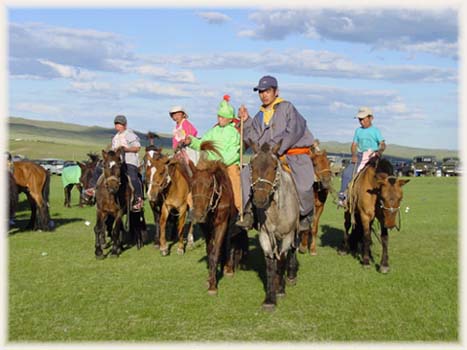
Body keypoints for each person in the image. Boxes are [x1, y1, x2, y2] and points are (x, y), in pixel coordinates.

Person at [237, 75, 315, 231]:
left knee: (304, 184)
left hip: (292, 154)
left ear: (275, 91)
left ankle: (305, 214)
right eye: (261, 92)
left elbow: (293, 130)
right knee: (246, 174)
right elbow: (254, 138)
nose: (264, 95)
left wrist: (274, 148)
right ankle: (248, 212)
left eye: (267, 91)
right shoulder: (259, 116)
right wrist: (246, 121)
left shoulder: (287, 108)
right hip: (268, 157)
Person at [184, 95, 242, 212]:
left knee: (235, 179)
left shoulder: (234, 133)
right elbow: (202, 143)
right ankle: (192, 205)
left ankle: (239, 207)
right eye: (219, 116)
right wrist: (192, 141)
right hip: (210, 164)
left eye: (223, 117)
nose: (220, 119)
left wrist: (219, 162)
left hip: (227, 164)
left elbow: (233, 153)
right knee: (197, 178)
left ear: (230, 119)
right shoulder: (213, 131)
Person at [84, 115, 144, 211]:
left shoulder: (130, 134)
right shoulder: (115, 137)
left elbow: (137, 148)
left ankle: (138, 199)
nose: (118, 126)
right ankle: (92, 189)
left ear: (125, 124)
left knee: (133, 177)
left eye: (120, 124)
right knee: (99, 167)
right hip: (116, 162)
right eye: (116, 124)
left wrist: (125, 149)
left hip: (129, 161)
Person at [337, 106, 386, 208]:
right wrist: (354, 155)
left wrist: (379, 152)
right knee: (346, 174)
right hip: (360, 155)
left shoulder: (375, 130)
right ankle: (342, 196)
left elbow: (382, 143)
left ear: (370, 118)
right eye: (360, 119)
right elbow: (354, 145)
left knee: (384, 175)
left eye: (363, 119)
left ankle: (386, 198)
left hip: (374, 156)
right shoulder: (358, 131)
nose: (361, 122)